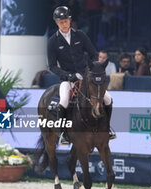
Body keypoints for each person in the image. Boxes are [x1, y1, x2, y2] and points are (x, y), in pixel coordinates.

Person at [47, 6, 116, 144]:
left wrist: (92, 68)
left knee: (108, 99)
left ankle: (107, 128)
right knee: (64, 101)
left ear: (70, 20)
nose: (64, 24)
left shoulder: (80, 35)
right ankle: (64, 134)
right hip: (68, 78)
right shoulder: (52, 41)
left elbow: (93, 54)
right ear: (56, 23)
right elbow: (52, 66)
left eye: (66, 21)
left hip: (86, 76)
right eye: (61, 22)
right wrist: (66, 75)